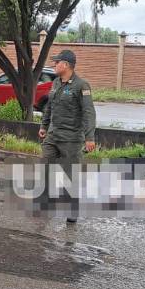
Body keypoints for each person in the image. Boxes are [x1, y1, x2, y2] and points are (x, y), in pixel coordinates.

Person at [38, 49, 96, 223]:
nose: (54, 65)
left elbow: (88, 112)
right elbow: (49, 106)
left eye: (57, 63)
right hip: (53, 136)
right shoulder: (56, 83)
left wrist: (90, 137)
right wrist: (44, 125)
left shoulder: (81, 85)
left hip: (71, 139)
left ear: (66, 65)